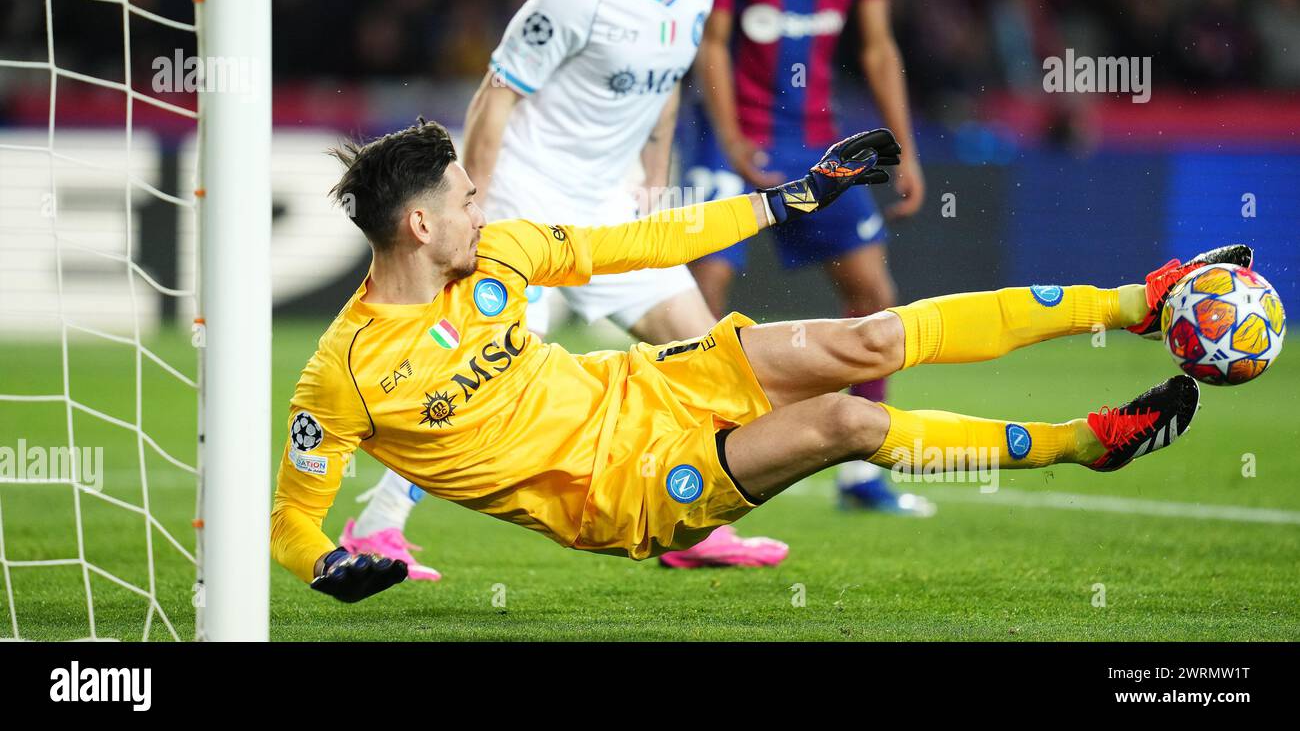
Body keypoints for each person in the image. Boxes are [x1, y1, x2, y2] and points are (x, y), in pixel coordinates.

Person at [271, 118, 1248, 604]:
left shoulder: (502, 254)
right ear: (418, 222)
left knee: (868, 339)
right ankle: (1085, 442)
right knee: (847, 422)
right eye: (468, 195)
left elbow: (644, 242)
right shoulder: (346, 372)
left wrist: (789, 196)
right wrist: (328, 565)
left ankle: (1139, 299)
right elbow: (292, 518)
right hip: (631, 490)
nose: (484, 206)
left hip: (657, 382)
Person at [340, 0, 788, 577]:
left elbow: (665, 92)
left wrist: (651, 177)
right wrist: (471, 206)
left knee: (711, 357)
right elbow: (496, 94)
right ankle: (374, 529)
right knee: (480, 378)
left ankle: (694, 524)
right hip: (524, 203)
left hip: (606, 210)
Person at [687, 0, 929, 513]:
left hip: (816, 140)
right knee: (702, 298)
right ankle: (690, 458)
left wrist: (905, 150)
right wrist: (729, 139)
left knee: (873, 299)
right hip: (728, 138)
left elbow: (879, 46)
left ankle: (859, 471)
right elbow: (714, 44)